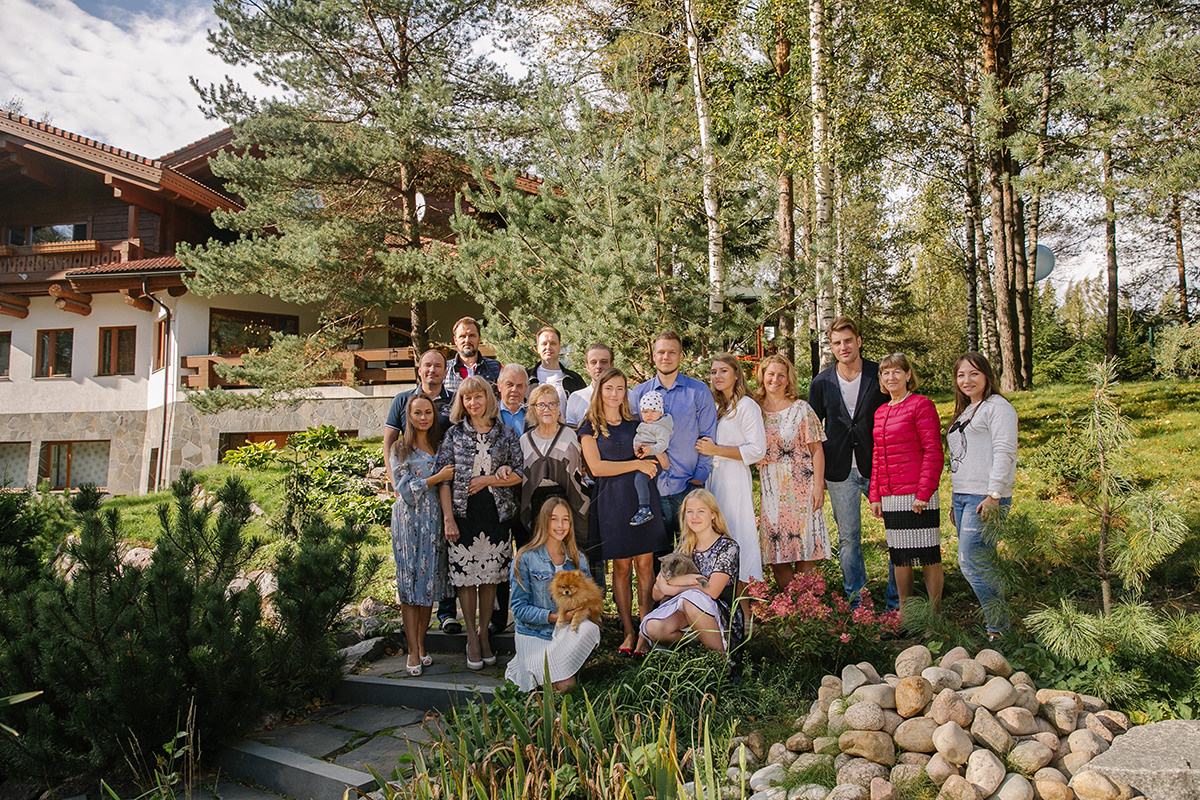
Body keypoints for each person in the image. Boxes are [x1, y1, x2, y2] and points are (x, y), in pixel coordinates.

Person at [808, 316, 897, 609]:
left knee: (896, 533)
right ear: (831, 347)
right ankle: (858, 602)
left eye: (848, 341)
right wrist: (816, 476)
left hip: (880, 467)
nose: (843, 347)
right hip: (839, 470)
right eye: (837, 343)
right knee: (848, 539)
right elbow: (812, 430)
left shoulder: (878, 375)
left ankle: (895, 601)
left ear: (858, 341)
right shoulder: (821, 382)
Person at [579, 367, 669, 656]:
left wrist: (654, 454)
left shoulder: (635, 423)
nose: (615, 394)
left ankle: (646, 630)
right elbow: (597, 468)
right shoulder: (589, 426)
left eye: (620, 389)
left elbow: (660, 459)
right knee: (620, 567)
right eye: (609, 388)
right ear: (599, 390)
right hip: (612, 500)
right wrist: (637, 464)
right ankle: (628, 630)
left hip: (641, 500)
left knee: (645, 565)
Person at [436, 376, 524, 670]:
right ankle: (471, 636)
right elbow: (444, 479)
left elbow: (518, 474)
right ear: (461, 403)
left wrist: (488, 479)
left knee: (490, 577)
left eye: (478, 397)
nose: (473, 403)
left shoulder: (507, 434)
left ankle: (485, 633)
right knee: (467, 576)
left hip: (496, 513)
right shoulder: (453, 435)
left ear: (488, 398)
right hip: (464, 513)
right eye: (467, 398)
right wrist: (448, 518)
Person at [381, 347, 460, 634]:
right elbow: (389, 443)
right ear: (419, 369)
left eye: (438, 366)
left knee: (433, 569)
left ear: (444, 370)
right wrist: (396, 483)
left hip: (436, 505)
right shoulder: (402, 400)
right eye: (427, 365)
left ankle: (446, 615)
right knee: (410, 571)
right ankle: (413, 636)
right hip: (409, 502)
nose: (432, 370)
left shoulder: (452, 403)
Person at [869, 353, 945, 619]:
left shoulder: (921, 405)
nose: (891, 377)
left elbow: (933, 450)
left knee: (928, 555)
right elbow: (877, 455)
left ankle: (933, 615)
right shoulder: (881, 412)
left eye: (896, 372)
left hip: (918, 494)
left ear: (908, 375)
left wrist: (924, 493)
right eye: (885, 373)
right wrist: (874, 494)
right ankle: (909, 615)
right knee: (899, 556)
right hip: (891, 496)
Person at [947, 352, 1017, 640]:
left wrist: (994, 495)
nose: (967, 380)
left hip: (985, 497)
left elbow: (1005, 451)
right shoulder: (966, 410)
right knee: (981, 561)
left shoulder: (997, 407)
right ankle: (999, 625)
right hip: (965, 496)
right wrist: (955, 499)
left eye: (974, 373)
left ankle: (999, 628)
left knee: (971, 561)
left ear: (987, 375)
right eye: (961, 375)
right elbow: (959, 458)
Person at [628, 331, 718, 541]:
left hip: (687, 486)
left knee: (690, 556)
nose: (666, 357)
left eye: (671, 352)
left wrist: (698, 480)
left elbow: (708, 437)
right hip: (651, 489)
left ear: (681, 356)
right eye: (661, 352)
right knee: (657, 559)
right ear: (654, 356)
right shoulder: (639, 394)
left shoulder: (698, 391)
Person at [389, 394, 455, 676]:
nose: (424, 417)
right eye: (418, 413)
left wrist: (448, 518)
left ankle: (423, 643)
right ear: (409, 416)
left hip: (433, 521)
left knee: (427, 584)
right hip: (407, 521)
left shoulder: (440, 447)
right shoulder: (399, 448)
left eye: (428, 412)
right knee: (409, 584)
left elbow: (447, 486)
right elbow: (404, 490)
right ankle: (413, 650)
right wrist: (435, 478)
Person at [505, 498, 601, 692]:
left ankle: (549, 672)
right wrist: (556, 617)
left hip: (565, 631)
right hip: (534, 633)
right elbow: (518, 608)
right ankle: (531, 669)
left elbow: (593, 599)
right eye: (554, 519)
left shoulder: (577, 559)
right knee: (565, 686)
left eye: (565, 520)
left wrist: (581, 610)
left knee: (591, 629)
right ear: (544, 522)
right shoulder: (525, 558)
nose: (560, 525)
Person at [697, 353, 766, 617]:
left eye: (723, 371)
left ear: (736, 374)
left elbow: (757, 449)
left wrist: (717, 449)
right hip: (712, 482)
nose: (717, 377)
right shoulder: (715, 407)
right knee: (715, 540)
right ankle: (718, 611)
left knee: (739, 538)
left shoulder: (746, 406)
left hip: (734, 480)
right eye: (713, 372)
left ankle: (745, 613)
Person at [754, 354, 832, 589]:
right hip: (771, 489)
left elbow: (817, 449)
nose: (775, 379)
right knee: (776, 552)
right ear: (762, 377)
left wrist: (818, 486)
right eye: (770, 374)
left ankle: (805, 609)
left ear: (788, 380)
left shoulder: (801, 409)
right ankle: (790, 609)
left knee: (805, 548)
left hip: (802, 485)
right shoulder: (755, 410)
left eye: (781, 375)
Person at [640, 489, 743, 656]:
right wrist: (687, 580)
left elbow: (712, 591)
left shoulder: (727, 547)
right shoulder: (684, 547)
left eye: (701, 511)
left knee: (691, 600)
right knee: (653, 627)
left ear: (713, 515)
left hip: (720, 616)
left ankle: (722, 662)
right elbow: (656, 594)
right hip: (687, 612)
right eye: (689, 512)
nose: (694, 517)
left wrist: (671, 588)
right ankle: (696, 650)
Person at [519, 383, 590, 538]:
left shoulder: (572, 434)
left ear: (558, 407)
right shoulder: (525, 440)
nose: (547, 409)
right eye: (541, 405)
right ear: (533, 409)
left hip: (571, 504)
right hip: (536, 507)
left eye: (552, 404)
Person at [631, 391, 672, 526]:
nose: (648, 415)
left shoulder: (661, 428)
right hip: (644, 456)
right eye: (645, 412)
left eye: (653, 411)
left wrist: (650, 449)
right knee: (639, 480)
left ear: (660, 412)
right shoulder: (645, 425)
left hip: (654, 458)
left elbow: (662, 445)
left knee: (640, 479)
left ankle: (645, 508)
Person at [526, 326, 587, 408]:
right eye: (544, 344)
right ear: (538, 349)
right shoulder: (527, 379)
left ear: (559, 348)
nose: (548, 347)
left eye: (553, 343)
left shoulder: (574, 380)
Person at [444, 316, 502, 395]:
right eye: (462, 336)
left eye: (472, 336)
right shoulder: (445, 370)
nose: (467, 340)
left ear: (479, 339)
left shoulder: (495, 368)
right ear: (455, 340)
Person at [564, 344, 614, 428]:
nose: (598, 366)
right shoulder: (576, 398)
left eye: (604, 362)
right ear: (587, 367)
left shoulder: (628, 396)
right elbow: (571, 433)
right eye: (593, 362)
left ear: (612, 365)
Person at [497, 364, 531, 435]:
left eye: (519, 386)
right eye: (509, 384)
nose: (514, 389)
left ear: (526, 388)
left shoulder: (535, 414)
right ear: (499, 386)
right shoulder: (488, 413)